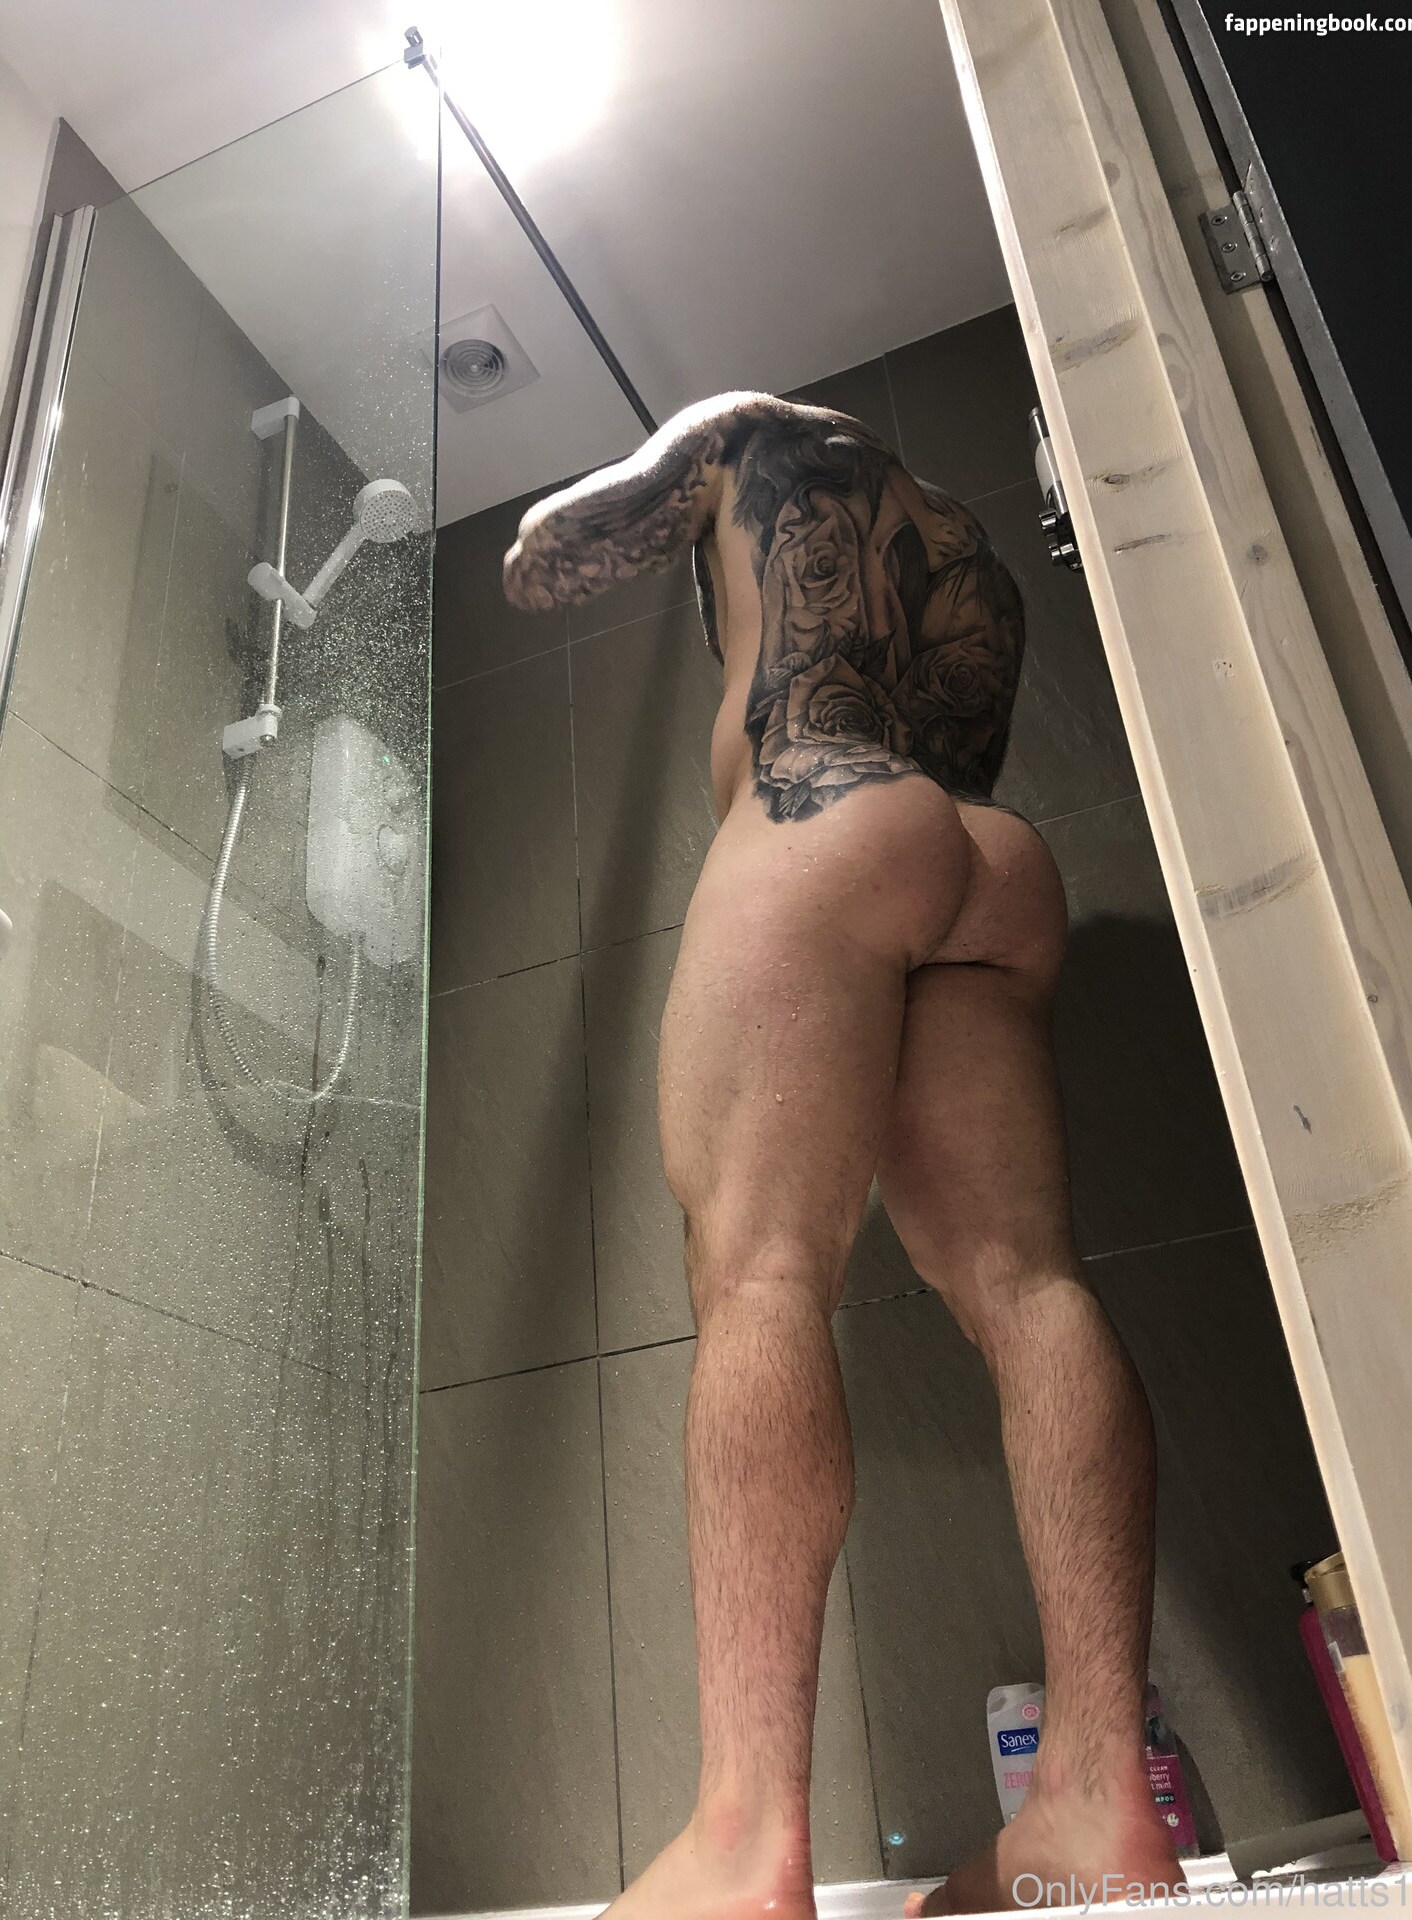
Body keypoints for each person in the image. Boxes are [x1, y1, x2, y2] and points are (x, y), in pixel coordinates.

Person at [503, 393, 1183, 1919]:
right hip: (988, 858)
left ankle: (747, 1841)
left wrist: (694, 473)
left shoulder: (756, 433)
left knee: (761, 1276)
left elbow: (544, 557)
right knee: (1031, 1289)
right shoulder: (975, 553)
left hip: (817, 814)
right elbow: (959, 746)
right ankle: (1096, 1799)